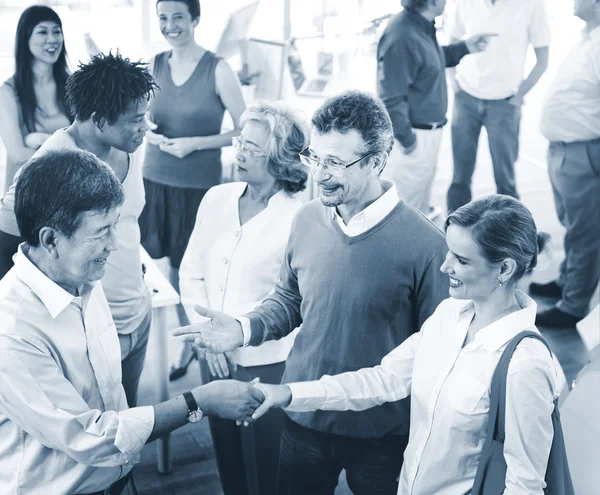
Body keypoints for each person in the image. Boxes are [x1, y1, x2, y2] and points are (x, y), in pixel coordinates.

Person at [175, 90, 449, 495]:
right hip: (302, 414)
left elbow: (436, 356)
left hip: (381, 431)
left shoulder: (426, 245)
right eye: (315, 159)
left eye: (335, 162)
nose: (319, 175)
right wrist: (243, 329)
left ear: (376, 161)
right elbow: (289, 300)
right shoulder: (306, 220)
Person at [250, 195, 562, 495]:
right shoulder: (449, 315)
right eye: (449, 252)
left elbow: (526, 484)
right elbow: (383, 380)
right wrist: (288, 393)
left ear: (504, 269)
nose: (444, 267)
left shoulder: (526, 366)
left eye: (461, 260)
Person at [0, 149, 264, 495]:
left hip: (117, 481)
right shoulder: (12, 330)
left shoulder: (86, 281)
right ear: (51, 240)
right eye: (101, 231)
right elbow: (91, 438)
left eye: (116, 226)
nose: (114, 244)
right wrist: (199, 402)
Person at [0, 52, 155, 409]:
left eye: (144, 115)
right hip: (89, 331)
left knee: (129, 423)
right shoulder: (51, 163)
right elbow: (11, 240)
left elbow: (127, 222)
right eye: (135, 120)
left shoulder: (128, 146)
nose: (144, 127)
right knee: (98, 439)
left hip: (137, 311)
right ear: (99, 120)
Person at [179, 101, 309, 495]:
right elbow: (191, 271)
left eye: (252, 148)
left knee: (267, 466)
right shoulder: (217, 198)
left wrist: (233, 335)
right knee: (228, 458)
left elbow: (292, 300)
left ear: (281, 157)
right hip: (211, 356)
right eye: (240, 142)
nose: (239, 154)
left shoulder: (299, 219)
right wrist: (208, 339)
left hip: (268, 364)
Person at [139, 0, 246, 339]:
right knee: (161, 266)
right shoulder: (152, 65)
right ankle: (180, 336)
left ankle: (196, 337)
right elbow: (137, 115)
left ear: (196, 19)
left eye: (179, 17)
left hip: (198, 186)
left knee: (192, 269)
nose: (170, 25)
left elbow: (245, 130)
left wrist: (194, 144)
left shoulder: (217, 69)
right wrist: (148, 132)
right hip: (154, 178)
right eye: (163, 18)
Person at [377, 0, 495, 216]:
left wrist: (465, 47)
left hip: (425, 133)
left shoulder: (421, 26)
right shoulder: (403, 36)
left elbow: (430, 59)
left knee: (417, 202)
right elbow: (390, 98)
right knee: (404, 210)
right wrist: (408, 140)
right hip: (413, 136)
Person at [531, 0, 600, 328]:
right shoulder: (588, 37)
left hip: (583, 152)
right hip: (564, 149)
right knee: (573, 225)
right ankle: (568, 281)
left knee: (585, 232)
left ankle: (573, 305)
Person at [446, 0, 551, 212]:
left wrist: (519, 95)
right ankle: (454, 231)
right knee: (460, 176)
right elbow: (452, 42)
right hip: (466, 97)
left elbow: (543, 60)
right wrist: (454, 84)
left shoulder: (532, 5)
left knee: (506, 180)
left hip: (505, 103)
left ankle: (511, 236)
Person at [0, 5, 72, 192]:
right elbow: (17, 154)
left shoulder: (71, 85)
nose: (52, 39)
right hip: (25, 194)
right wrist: (70, 154)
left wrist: (39, 141)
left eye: (57, 31)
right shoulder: (8, 91)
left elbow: (86, 138)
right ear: (26, 38)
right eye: (42, 32)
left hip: (65, 193)